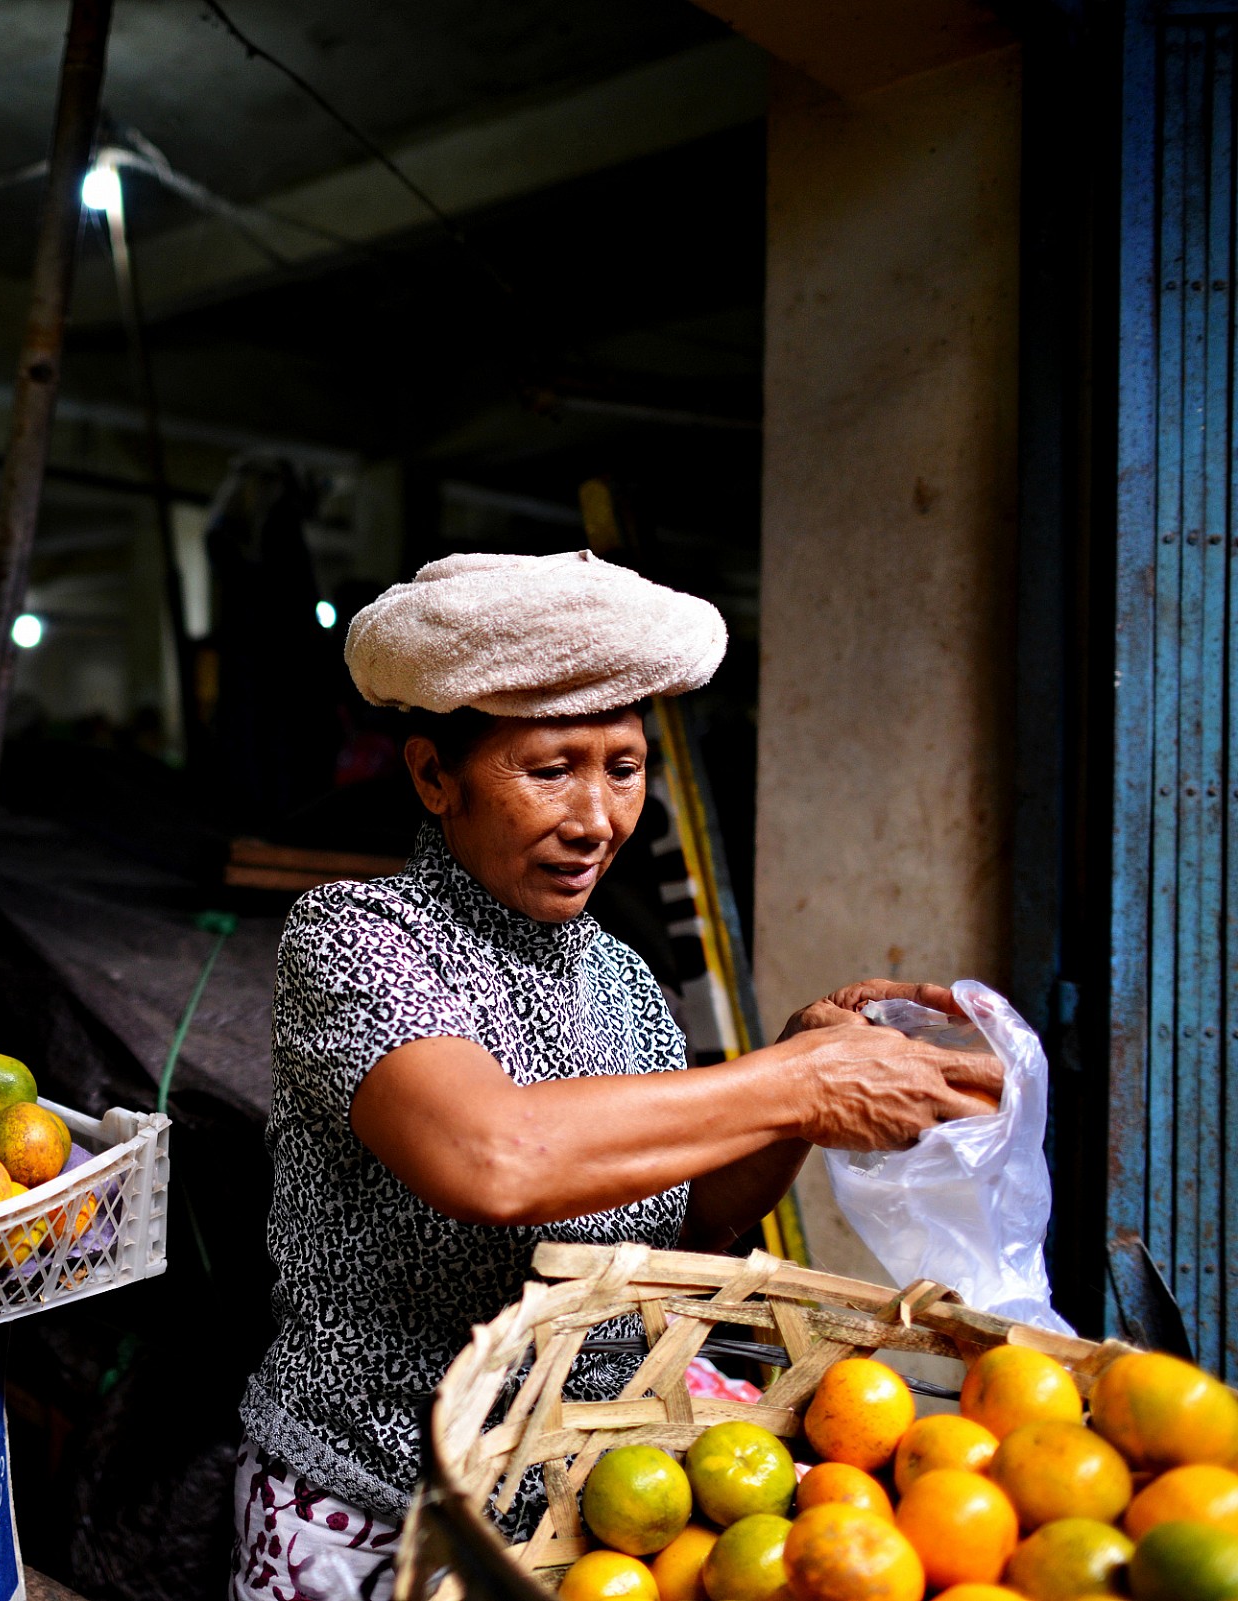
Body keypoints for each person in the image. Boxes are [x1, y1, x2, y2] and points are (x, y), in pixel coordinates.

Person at [231, 552, 1001, 1601]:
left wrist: (788, 1093)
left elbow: (670, 1241)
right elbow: (491, 1154)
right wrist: (793, 1082)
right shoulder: (356, 938)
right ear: (432, 775)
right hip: (374, 1503)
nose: (596, 818)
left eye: (624, 767)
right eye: (550, 769)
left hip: (579, 1510)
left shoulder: (626, 980)